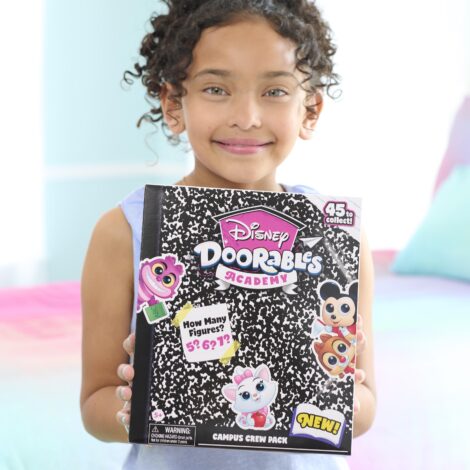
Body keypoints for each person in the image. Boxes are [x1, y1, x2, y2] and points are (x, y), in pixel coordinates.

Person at [80, 1, 376, 469]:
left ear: (310, 109)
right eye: (216, 89)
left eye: (275, 91)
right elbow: (95, 405)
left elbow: (364, 406)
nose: (247, 117)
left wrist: (337, 394)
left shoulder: (334, 235)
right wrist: (145, 402)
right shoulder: (125, 231)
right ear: (173, 104)